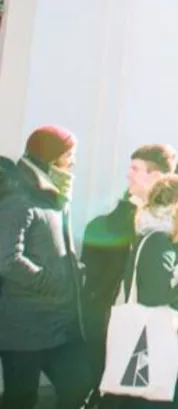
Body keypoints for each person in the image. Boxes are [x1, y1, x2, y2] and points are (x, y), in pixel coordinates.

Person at [100, 174, 178, 408]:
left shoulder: (171, 240)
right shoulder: (159, 241)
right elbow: (157, 295)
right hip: (165, 342)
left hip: (171, 341)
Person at [0, 126, 93, 409]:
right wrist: (51, 281)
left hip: (60, 324)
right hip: (23, 329)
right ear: (50, 157)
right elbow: (7, 260)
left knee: (79, 387)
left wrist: (74, 272)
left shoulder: (55, 196)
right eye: (69, 155)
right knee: (21, 400)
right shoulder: (19, 198)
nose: (74, 161)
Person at [83, 144, 177, 393]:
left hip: (149, 322)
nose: (128, 174)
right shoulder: (128, 212)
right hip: (113, 315)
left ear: (155, 177)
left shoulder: (172, 218)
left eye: (135, 169)